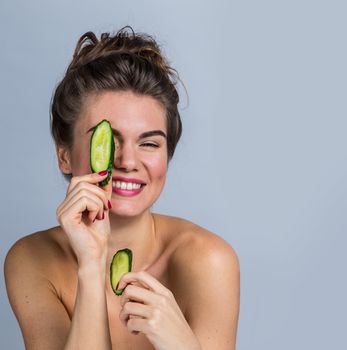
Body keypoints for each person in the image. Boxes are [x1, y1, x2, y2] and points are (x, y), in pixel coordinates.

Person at [4, 27, 240, 350]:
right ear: (64, 156)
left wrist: (182, 343)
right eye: (107, 141)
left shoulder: (209, 262)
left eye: (149, 143)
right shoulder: (31, 259)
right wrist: (91, 265)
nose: (128, 161)